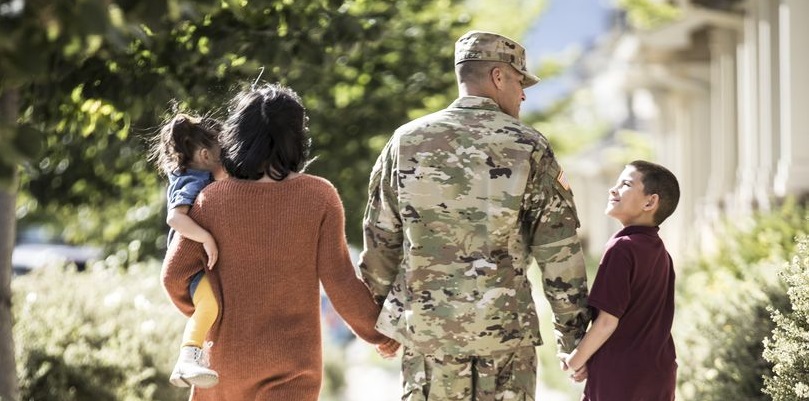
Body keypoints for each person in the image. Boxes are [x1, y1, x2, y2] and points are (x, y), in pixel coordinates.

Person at [359, 30, 590, 400]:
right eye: (519, 81)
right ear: (498, 77)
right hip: (505, 343)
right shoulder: (529, 146)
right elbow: (558, 251)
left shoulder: (405, 141)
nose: (524, 93)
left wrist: (376, 322)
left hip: (428, 340)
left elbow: (381, 238)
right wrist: (575, 338)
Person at [161, 82, 398, 401]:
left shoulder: (208, 201)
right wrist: (379, 333)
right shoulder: (320, 196)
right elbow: (339, 279)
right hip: (292, 366)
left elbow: (174, 276)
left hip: (223, 366)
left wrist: (213, 312)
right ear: (297, 138)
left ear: (236, 137)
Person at [559, 160, 680, 401]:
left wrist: (574, 362)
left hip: (621, 376)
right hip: (659, 373)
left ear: (650, 202)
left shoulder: (622, 248)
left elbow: (606, 323)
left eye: (624, 184)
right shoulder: (661, 253)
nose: (612, 190)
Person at [151, 113, 228, 388]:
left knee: (213, 308)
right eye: (223, 154)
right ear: (206, 155)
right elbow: (175, 218)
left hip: (199, 265)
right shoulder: (192, 180)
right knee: (209, 306)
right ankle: (187, 358)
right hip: (191, 267)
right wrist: (205, 238)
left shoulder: (198, 175)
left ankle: (198, 357)